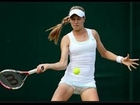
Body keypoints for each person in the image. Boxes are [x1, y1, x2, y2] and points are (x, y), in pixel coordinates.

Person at [36, 6, 139, 101]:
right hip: (69, 80)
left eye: (78, 19)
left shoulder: (93, 34)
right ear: (69, 20)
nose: (76, 22)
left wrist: (121, 59)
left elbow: (104, 53)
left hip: (88, 83)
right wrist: (47, 65)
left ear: (84, 19)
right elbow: (62, 64)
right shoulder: (66, 39)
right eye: (73, 19)